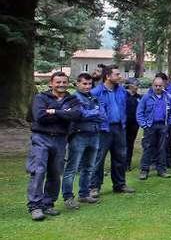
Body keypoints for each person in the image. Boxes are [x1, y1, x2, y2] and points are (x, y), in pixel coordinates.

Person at [26, 72, 81, 220]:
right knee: (38, 171)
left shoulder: (73, 99)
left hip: (61, 140)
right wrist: (64, 114)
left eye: (64, 82)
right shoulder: (40, 98)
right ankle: (35, 206)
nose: (61, 85)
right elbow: (40, 117)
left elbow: (76, 116)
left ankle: (48, 204)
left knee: (55, 173)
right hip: (41, 138)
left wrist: (54, 111)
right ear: (51, 83)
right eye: (58, 82)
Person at [61, 73, 104, 209]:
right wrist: (93, 113)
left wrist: (91, 113)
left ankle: (84, 194)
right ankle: (68, 197)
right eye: (84, 84)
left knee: (89, 167)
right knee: (72, 168)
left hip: (94, 134)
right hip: (79, 135)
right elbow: (79, 115)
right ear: (77, 84)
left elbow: (103, 115)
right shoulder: (73, 98)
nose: (87, 86)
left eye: (90, 84)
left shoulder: (93, 97)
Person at [91, 65, 134, 195]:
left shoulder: (121, 91)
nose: (120, 76)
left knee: (120, 157)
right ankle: (94, 187)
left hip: (119, 127)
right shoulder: (96, 92)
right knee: (99, 158)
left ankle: (119, 184)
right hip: (103, 129)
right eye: (117, 74)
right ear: (108, 76)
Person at [136, 75, 171, 179]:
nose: (158, 87)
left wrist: (169, 124)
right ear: (152, 86)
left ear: (163, 86)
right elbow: (139, 112)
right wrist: (144, 124)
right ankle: (144, 170)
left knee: (162, 148)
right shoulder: (146, 97)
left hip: (163, 126)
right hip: (150, 126)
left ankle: (161, 170)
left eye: (160, 85)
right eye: (156, 85)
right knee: (148, 147)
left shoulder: (168, 97)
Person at [156, 72, 171, 169]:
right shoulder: (154, 89)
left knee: (170, 140)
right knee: (156, 141)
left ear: (165, 81)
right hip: (158, 119)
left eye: (160, 82)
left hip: (170, 118)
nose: (158, 85)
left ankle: (170, 161)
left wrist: (164, 92)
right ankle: (156, 161)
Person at [123, 78, 141, 171]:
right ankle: (121, 163)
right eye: (135, 85)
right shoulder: (123, 95)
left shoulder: (138, 97)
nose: (137, 87)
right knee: (123, 144)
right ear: (130, 85)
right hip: (124, 123)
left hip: (134, 124)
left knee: (130, 144)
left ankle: (127, 164)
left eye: (137, 85)